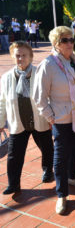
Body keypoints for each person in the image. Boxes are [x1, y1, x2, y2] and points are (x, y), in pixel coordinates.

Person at [33, 26, 75, 214]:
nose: (70, 43)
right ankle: (61, 195)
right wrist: (51, 117)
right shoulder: (49, 65)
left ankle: (72, 176)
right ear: (56, 44)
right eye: (65, 40)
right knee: (60, 158)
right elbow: (39, 97)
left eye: (71, 39)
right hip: (61, 119)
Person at [0, 41, 54, 195]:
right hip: (18, 123)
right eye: (17, 55)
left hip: (40, 121)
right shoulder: (6, 78)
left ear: (30, 56)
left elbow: (48, 97)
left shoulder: (40, 74)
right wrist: (0, 122)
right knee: (14, 155)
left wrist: (51, 117)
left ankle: (47, 170)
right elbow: (2, 102)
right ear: (12, 57)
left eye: (24, 55)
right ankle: (13, 184)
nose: (20, 58)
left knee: (47, 149)